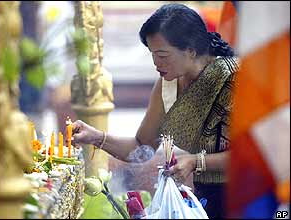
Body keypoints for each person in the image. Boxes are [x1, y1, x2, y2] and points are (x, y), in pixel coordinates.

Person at [71, 3, 238, 218]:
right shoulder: (167, 83)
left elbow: (250, 154)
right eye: (152, 54)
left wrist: (196, 161)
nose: (156, 63)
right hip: (202, 196)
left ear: (190, 50)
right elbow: (142, 147)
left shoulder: (232, 79)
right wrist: (96, 137)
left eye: (162, 55)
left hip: (244, 195)